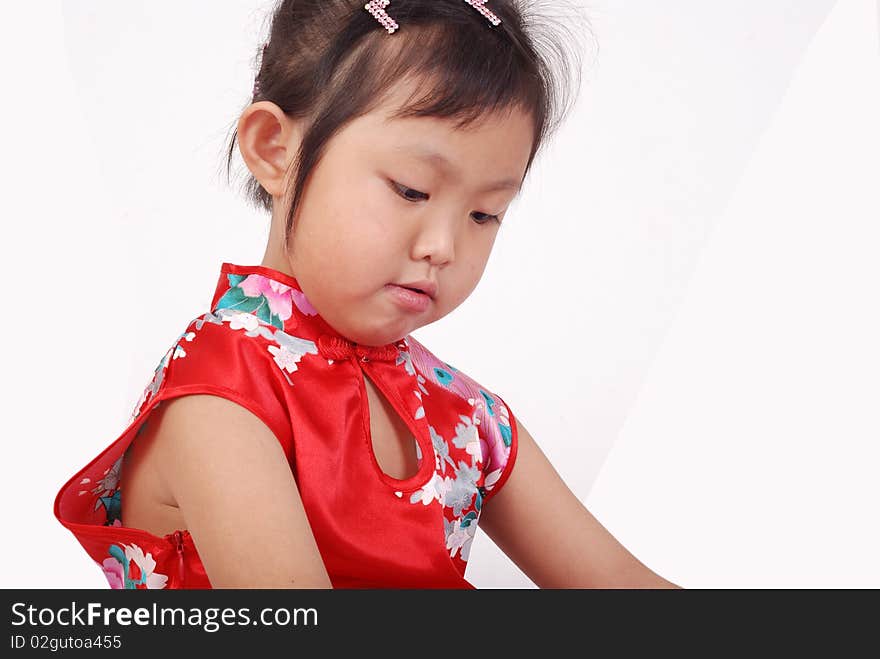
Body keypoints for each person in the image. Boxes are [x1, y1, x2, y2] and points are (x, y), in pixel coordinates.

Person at [54, 0, 680, 589]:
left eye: (485, 214)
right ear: (275, 150)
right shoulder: (222, 401)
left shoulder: (467, 416)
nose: (444, 245)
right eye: (411, 190)